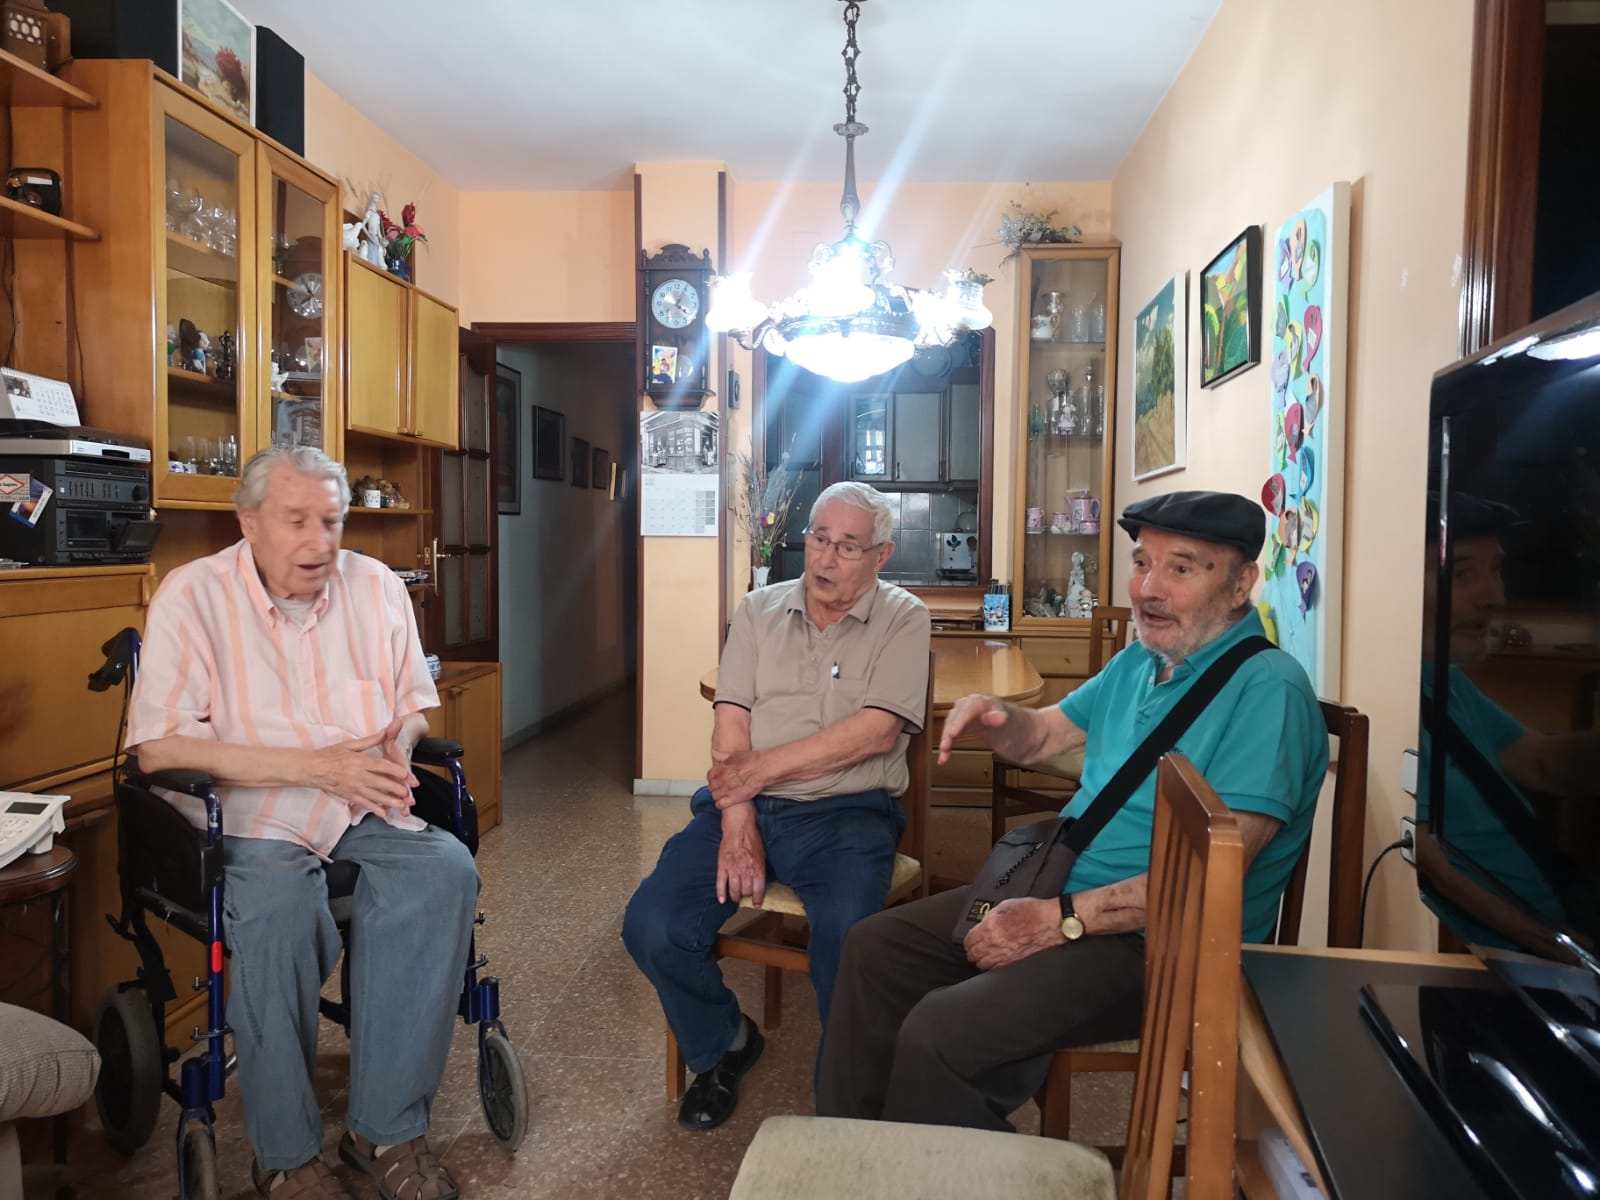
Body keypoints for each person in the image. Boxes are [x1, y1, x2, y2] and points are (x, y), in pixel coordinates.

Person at [816, 489, 1327, 1131]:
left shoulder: (1268, 690)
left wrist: (1057, 922)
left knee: (940, 1033)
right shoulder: (1143, 661)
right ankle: (854, 1148)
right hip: (1062, 890)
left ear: (1240, 583)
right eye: (1143, 564)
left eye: (1182, 568)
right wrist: (1001, 720)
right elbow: (1045, 735)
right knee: (873, 948)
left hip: (1160, 945)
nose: (1149, 588)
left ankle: (949, 1167)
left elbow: (1206, 882)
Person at [125, 446, 477, 1200]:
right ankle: (285, 1155)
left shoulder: (376, 586)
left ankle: (383, 1131)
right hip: (246, 816)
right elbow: (157, 747)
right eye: (297, 521)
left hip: (357, 802)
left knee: (444, 872)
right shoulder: (192, 597)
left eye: (333, 520)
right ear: (248, 520)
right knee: (280, 913)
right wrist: (317, 767)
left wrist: (396, 742)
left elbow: (415, 704)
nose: (321, 542)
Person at [623, 481, 930, 1132]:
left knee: (849, 942)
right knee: (652, 925)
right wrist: (737, 814)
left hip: (847, 815)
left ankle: (846, 1111)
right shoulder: (759, 609)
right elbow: (730, 715)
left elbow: (876, 732)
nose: (824, 558)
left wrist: (753, 773)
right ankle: (724, 1043)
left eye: (848, 546)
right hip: (744, 806)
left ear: (882, 555)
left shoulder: (905, 617)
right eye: (819, 537)